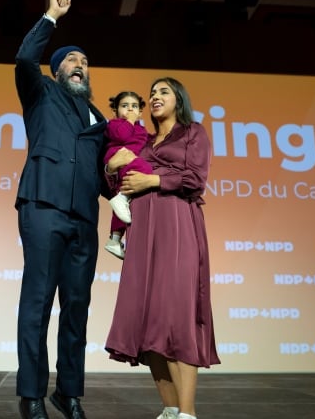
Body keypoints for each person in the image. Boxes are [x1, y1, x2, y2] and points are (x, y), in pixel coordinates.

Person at [14, 0, 109, 419]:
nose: (80, 66)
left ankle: (66, 391)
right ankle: (31, 393)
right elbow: (23, 59)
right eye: (72, 60)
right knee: (38, 301)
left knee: (77, 306)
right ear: (57, 70)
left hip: (84, 219)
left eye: (85, 62)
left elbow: (106, 180)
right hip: (43, 207)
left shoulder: (99, 120)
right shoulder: (40, 94)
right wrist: (52, 17)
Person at [104, 77, 220, 419]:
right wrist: (111, 168)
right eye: (152, 93)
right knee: (146, 317)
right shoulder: (142, 139)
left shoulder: (192, 133)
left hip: (177, 224)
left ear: (178, 99)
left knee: (176, 315)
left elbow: (196, 179)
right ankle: (170, 409)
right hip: (142, 230)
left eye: (163, 92)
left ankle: (188, 412)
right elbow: (119, 182)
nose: (155, 97)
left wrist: (153, 179)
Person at [102, 91, 151, 259]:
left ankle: (114, 240)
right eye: (125, 106)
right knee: (146, 170)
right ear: (115, 110)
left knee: (123, 211)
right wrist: (129, 120)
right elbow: (122, 135)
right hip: (119, 156)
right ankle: (122, 197)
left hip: (130, 162)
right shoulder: (114, 124)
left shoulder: (141, 129)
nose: (130, 110)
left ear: (140, 112)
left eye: (134, 106)